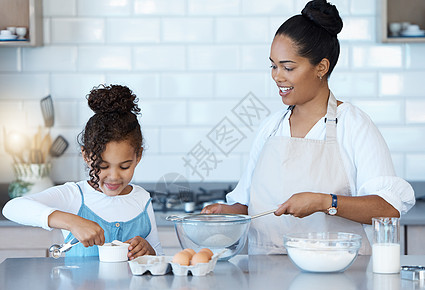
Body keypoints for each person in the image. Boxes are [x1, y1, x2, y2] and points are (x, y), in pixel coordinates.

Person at [201, 0, 415, 255]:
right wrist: (228, 212)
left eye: (288, 67)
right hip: (267, 280)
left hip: (340, 284)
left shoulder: (354, 125)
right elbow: (252, 206)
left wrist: (324, 202)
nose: (277, 76)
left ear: (321, 68)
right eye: (273, 65)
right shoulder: (271, 128)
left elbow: (387, 208)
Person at [3, 84, 163, 259]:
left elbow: (158, 257)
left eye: (124, 166)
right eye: (102, 166)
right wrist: (72, 222)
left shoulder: (142, 199)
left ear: (138, 156)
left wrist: (149, 251)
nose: (114, 176)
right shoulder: (75, 196)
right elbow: (12, 208)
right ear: (86, 155)